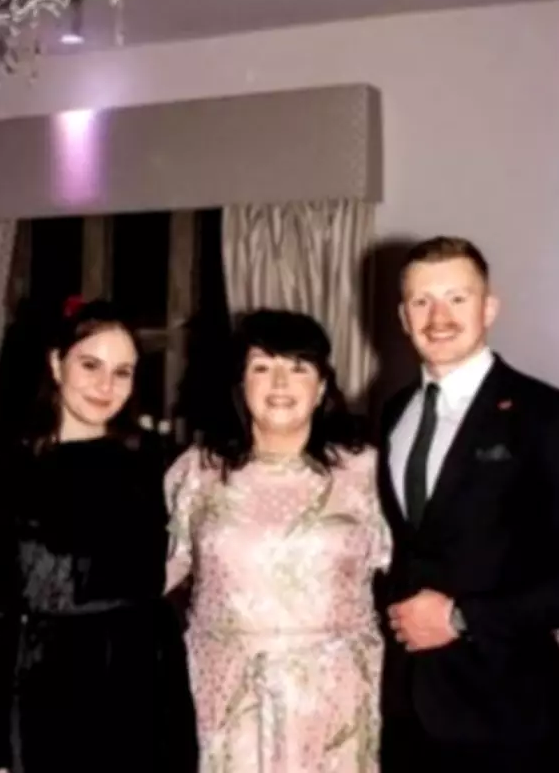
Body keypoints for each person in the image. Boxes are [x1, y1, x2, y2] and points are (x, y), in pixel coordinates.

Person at [377, 236, 559, 773]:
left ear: (488, 308)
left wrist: (461, 617)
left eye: (457, 298)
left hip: (508, 715)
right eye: (422, 301)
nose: (439, 317)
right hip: (404, 714)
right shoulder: (392, 413)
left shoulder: (551, 416)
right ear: (402, 316)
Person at [165, 309, 391, 772]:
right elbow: (157, 572)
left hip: (333, 700)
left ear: (322, 386)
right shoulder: (197, 472)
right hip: (226, 696)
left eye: (299, 367)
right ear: (241, 383)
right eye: (263, 367)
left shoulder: (365, 471)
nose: (281, 383)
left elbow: (415, 567)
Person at [0, 298, 171, 773]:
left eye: (122, 372)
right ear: (57, 364)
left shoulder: (153, 462)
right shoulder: (9, 472)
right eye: (90, 365)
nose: (106, 386)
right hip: (50, 695)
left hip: (146, 689)